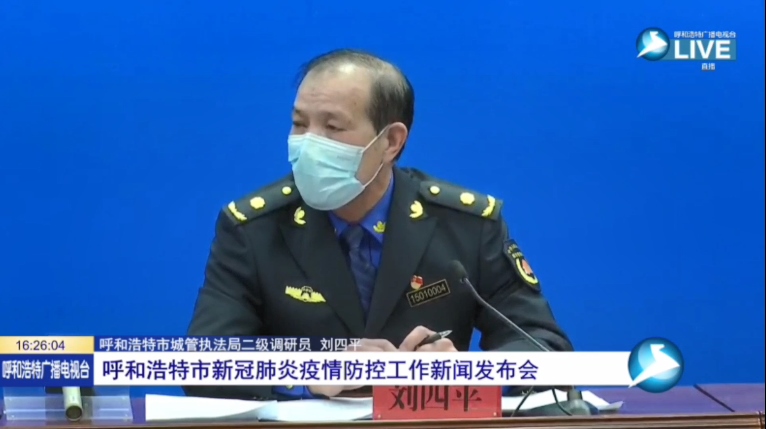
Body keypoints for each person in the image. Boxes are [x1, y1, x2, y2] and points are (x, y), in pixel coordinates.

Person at [185, 49, 572, 400]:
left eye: (333, 128)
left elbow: (545, 347)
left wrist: (465, 373)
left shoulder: (467, 226)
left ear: (391, 142)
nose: (308, 144)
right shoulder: (253, 229)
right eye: (299, 125)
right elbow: (203, 364)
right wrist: (307, 373)